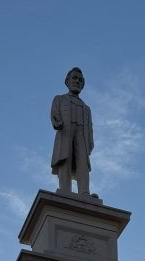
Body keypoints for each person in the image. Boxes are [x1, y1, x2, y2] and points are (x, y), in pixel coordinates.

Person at [51, 67, 94, 198]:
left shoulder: (86, 108)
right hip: (66, 131)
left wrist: (90, 142)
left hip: (81, 134)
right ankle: (65, 189)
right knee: (66, 158)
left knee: (83, 163)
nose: (77, 81)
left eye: (81, 80)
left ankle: (84, 192)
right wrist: (57, 121)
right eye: (74, 78)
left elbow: (90, 126)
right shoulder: (60, 99)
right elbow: (54, 113)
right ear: (67, 81)